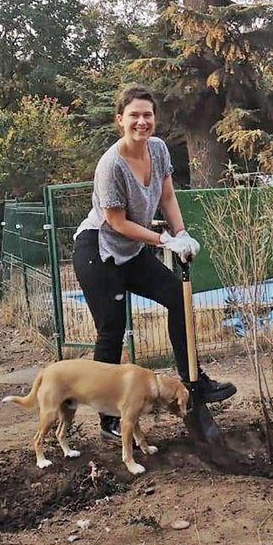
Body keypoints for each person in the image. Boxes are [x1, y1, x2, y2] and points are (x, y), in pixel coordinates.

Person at [73, 84, 236, 442]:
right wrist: (164, 240)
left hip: (131, 251)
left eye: (148, 115)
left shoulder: (159, 150)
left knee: (179, 297)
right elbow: (116, 223)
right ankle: (109, 420)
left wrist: (182, 234)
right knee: (111, 330)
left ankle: (194, 381)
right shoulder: (110, 166)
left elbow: (167, 196)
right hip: (98, 251)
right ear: (120, 120)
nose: (142, 122)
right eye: (134, 115)